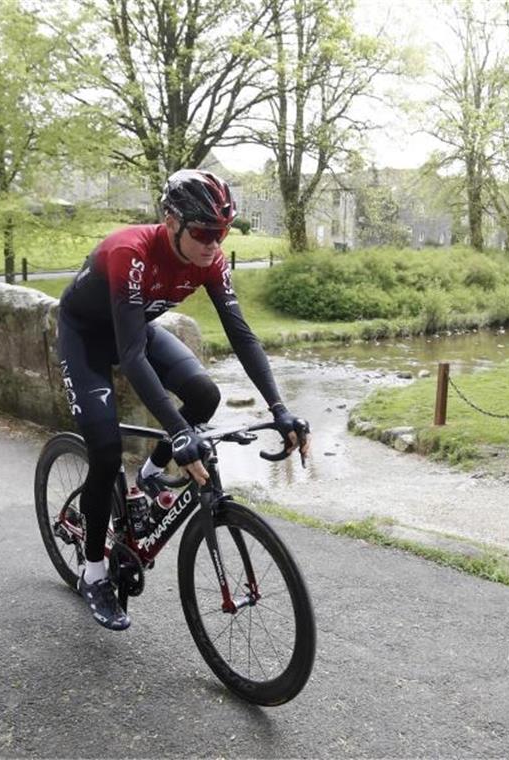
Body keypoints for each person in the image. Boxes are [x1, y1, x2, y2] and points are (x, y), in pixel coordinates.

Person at [56, 169, 311, 630]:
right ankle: (93, 573)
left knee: (204, 395)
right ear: (170, 221)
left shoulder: (211, 261)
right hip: (87, 340)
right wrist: (178, 433)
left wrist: (280, 409)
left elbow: (242, 336)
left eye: (223, 232)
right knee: (106, 450)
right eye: (204, 232)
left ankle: (151, 477)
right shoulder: (129, 252)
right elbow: (132, 359)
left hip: (134, 329)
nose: (214, 244)